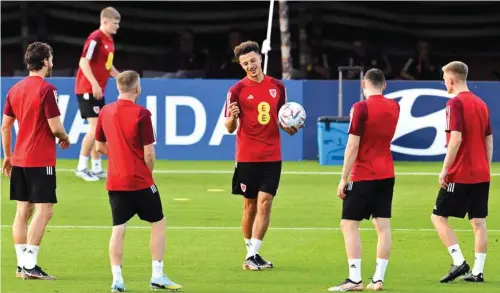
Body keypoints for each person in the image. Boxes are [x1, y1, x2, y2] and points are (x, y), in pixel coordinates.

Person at [94, 70, 182, 292]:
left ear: (118, 88)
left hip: (115, 182)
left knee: (119, 228)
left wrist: (118, 157)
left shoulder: (106, 111)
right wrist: (147, 172)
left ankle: (117, 279)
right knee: (158, 222)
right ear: (137, 88)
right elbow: (149, 154)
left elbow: (99, 146)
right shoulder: (142, 113)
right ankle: (157, 275)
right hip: (141, 181)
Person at [224, 41, 301, 271]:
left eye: (253, 61)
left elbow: (282, 118)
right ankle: (251, 253)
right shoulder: (235, 91)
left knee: (265, 203)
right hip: (247, 155)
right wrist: (234, 118)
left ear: (260, 58)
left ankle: (252, 255)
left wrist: (289, 127)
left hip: (272, 155)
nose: (250, 66)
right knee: (249, 207)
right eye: (245, 63)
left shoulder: (277, 87)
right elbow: (228, 127)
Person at [1, 42, 70, 280]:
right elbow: (55, 126)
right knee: (45, 211)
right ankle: (30, 265)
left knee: (23, 211)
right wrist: (64, 137)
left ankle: (22, 265)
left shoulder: (15, 89)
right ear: (44, 62)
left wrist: (8, 156)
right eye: (50, 59)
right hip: (40, 159)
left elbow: (5, 126)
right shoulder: (47, 90)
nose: (52, 63)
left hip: (19, 159)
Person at [329, 68, 400, 292]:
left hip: (363, 174)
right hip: (387, 172)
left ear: (363, 84)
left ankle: (355, 279)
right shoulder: (394, 106)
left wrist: (343, 178)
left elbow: (352, 144)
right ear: (385, 85)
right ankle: (378, 279)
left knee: (349, 224)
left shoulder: (360, 108)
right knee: (383, 226)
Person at [431, 61, 492, 283]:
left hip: (461, 172)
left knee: (438, 217)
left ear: (452, 80)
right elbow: (489, 139)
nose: (444, 82)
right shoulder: (481, 104)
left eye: (444, 78)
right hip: (481, 172)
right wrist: (485, 165)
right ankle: (478, 271)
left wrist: (445, 169)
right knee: (479, 222)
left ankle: (459, 262)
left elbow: (455, 139)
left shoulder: (455, 104)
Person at [74, 6, 121, 181]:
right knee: (95, 129)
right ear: (105, 21)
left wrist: (121, 77)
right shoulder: (95, 38)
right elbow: (83, 62)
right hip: (88, 89)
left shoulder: (109, 40)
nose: (117, 27)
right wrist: (94, 84)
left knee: (98, 129)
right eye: (115, 23)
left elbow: (108, 67)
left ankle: (96, 167)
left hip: (98, 90)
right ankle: (81, 167)